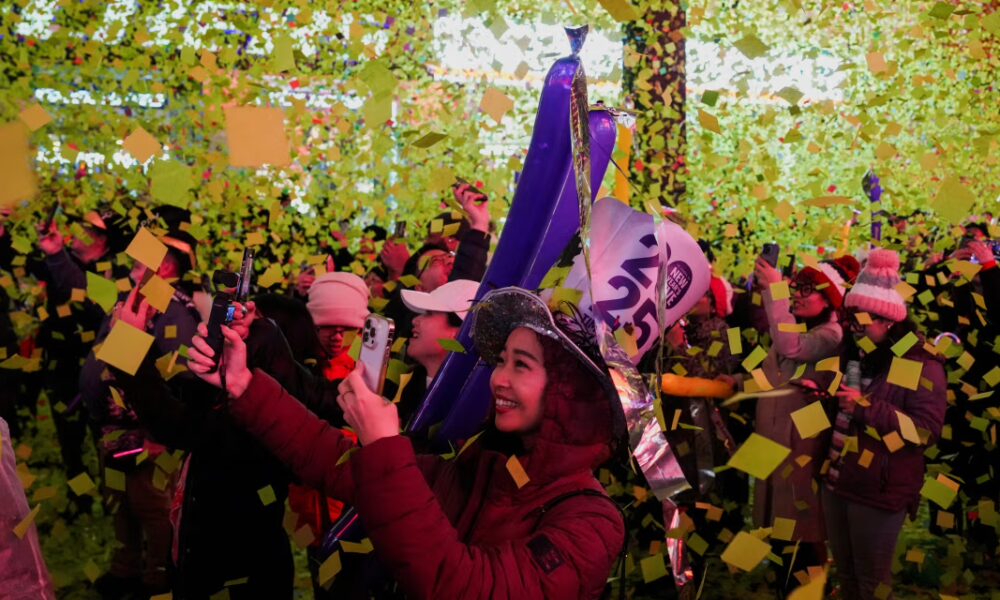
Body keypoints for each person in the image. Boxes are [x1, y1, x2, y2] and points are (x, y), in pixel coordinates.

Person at [187, 287, 626, 599]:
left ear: (568, 394)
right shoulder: (479, 468)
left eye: (521, 365)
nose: (498, 379)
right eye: (501, 361)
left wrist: (384, 445)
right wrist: (244, 385)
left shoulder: (592, 523)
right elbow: (333, 460)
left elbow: (463, 587)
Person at [824, 248, 947, 599]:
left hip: (879, 488)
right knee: (847, 576)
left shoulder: (921, 362)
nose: (853, 328)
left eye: (861, 321)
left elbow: (925, 431)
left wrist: (866, 407)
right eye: (850, 319)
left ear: (888, 321)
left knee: (871, 583)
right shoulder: (857, 353)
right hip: (839, 479)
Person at [750, 254, 859, 587]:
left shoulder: (831, 335)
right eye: (796, 287)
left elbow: (792, 347)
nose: (797, 295)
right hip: (773, 442)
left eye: (807, 290)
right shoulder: (798, 328)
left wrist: (775, 291)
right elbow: (771, 374)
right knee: (777, 532)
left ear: (830, 300)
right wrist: (734, 383)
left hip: (800, 450)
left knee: (802, 532)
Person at [393, 279, 479, 422]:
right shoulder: (407, 385)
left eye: (428, 313)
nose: (415, 320)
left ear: (459, 333)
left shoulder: (470, 409)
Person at [306, 272, 370, 380]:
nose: (337, 337)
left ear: (360, 328)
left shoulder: (374, 365)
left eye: (348, 328)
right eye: (328, 326)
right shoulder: (295, 356)